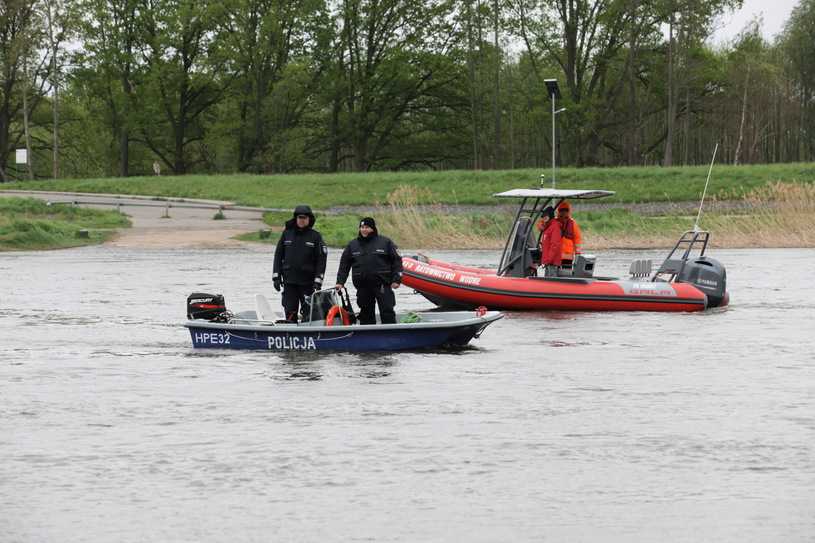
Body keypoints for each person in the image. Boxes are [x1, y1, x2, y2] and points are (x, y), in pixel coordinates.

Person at [335, 217, 403, 325]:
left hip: (382, 285)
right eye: (362, 227)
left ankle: (390, 335)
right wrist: (340, 282)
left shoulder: (385, 242)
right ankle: (367, 337)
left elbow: (397, 262)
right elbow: (344, 265)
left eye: (367, 227)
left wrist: (397, 280)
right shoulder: (352, 245)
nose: (364, 230)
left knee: (387, 310)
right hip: (363, 286)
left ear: (373, 229)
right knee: (365, 313)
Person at [272, 205, 327, 322]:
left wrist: (318, 281)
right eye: (299, 217)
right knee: (290, 312)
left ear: (309, 219)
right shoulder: (287, 234)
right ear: (296, 218)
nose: (301, 220)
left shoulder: (315, 236)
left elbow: (321, 261)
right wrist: (276, 276)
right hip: (289, 281)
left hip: (307, 283)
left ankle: (309, 335)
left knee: (309, 313)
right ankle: (290, 335)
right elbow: (278, 256)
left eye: (304, 218)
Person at [557, 200, 582, 269]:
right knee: (561, 273)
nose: (563, 212)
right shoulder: (554, 222)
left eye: (565, 210)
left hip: (567, 255)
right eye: (562, 210)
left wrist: (578, 253)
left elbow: (577, 238)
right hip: (557, 254)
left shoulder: (572, 223)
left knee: (566, 273)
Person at [538, 206, 562, 277]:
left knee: (551, 283)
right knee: (547, 283)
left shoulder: (554, 227)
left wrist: (548, 260)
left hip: (552, 263)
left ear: (550, 216)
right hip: (548, 263)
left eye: (546, 215)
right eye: (543, 216)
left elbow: (554, 245)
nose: (544, 217)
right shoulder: (548, 227)